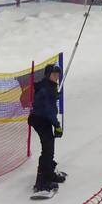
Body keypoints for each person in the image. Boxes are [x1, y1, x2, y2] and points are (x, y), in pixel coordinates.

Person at [28, 64, 66, 194]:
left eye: (57, 75)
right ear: (48, 75)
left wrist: (55, 96)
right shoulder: (46, 89)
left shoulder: (50, 86)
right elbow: (48, 110)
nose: (56, 77)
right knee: (47, 149)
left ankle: (49, 174)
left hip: (43, 119)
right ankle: (41, 183)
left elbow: (50, 107)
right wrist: (57, 125)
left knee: (50, 147)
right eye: (54, 74)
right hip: (40, 120)